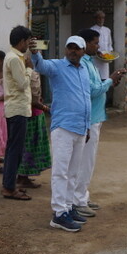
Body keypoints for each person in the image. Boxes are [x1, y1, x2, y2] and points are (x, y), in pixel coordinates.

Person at [32, 35, 94, 232]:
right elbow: (40, 66)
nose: (73, 51)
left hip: (80, 128)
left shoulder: (84, 70)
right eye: (70, 47)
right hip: (63, 128)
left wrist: (88, 127)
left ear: (83, 51)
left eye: (77, 48)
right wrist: (35, 53)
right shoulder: (57, 66)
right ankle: (59, 214)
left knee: (73, 172)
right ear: (66, 49)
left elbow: (86, 99)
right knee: (61, 172)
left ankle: (68, 207)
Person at [73, 28, 127, 218]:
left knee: (89, 161)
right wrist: (109, 82)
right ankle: (77, 200)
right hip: (89, 118)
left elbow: (97, 85)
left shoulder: (90, 62)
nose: (98, 47)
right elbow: (92, 90)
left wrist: (110, 81)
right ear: (85, 44)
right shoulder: (83, 65)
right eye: (95, 43)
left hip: (96, 116)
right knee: (84, 161)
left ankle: (82, 196)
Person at [2, 25, 33, 201]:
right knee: (15, 150)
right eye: (28, 41)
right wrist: (29, 68)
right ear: (22, 41)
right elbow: (22, 84)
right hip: (17, 108)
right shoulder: (14, 59)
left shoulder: (13, 57)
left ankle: (9, 184)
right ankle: (9, 187)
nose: (29, 44)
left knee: (13, 149)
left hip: (17, 108)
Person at [17, 53, 51, 190]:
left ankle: (23, 175)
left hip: (35, 113)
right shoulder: (26, 74)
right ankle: (23, 177)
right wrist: (46, 108)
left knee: (30, 146)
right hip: (31, 114)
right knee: (29, 146)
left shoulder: (34, 73)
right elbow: (31, 98)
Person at [90, 10, 114, 80]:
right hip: (96, 59)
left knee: (105, 79)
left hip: (105, 60)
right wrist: (97, 54)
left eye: (103, 18)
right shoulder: (92, 30)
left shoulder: (107, 30)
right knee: (96, 78)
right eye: (99, 18)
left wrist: (110, 55)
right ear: (95, 19)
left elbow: (109, 44)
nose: (101, 20)